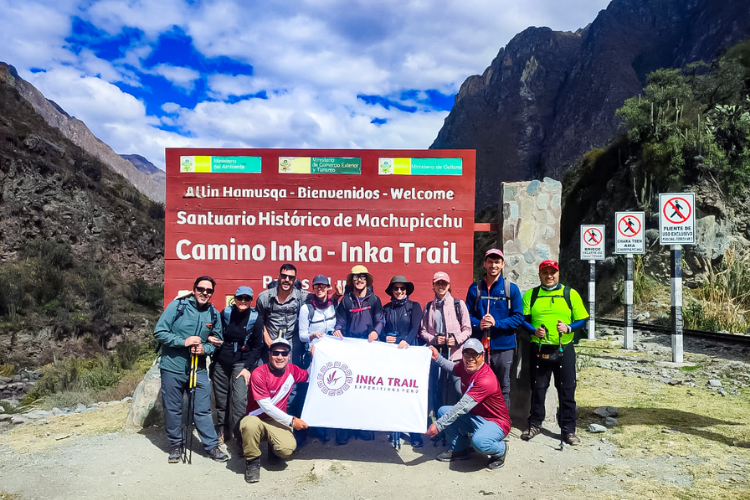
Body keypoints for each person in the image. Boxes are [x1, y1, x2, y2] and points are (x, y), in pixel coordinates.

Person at [153, 276, 229, 464]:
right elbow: (159, 332)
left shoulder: (213, 313)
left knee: (202, 409)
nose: (205, 293)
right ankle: (176, 445)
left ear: (212, 293)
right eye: (201, 289)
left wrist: (206, 349)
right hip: (172, 367)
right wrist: (183, 342)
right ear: (194, 290)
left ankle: (211, 446)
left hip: (198, 368)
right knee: (173, 409)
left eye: (209, 290)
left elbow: (218, 341)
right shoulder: (177, 306)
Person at [520, 260, 588, 446]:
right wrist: (533, 330)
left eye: (553, 272)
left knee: (566, 389)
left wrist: (568, 327)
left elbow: (582, 320)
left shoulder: (569, 294)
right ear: (540, 274)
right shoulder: (531, 295)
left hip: (563, 348)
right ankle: (534, 424)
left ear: (558, 274)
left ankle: (568, 430)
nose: (549, 276)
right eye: (545, 273)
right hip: (539, 348)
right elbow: (523, 320)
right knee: (538, 389)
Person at [425, 338, 510, 470]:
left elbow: (462, 407)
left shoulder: (486, 379)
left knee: (479, 442)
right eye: (467, 354)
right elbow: (453, 368)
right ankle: (459, 449)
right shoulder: (465, 367)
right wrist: (437, 358)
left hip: (495, 422)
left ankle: (500, 450)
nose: (470, 359)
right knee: (443, 411)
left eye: (475, 355)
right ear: (463, 355)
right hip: (475, 416)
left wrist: (439, 425)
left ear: (482, 356)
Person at [240, 338, 309, 483]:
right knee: (249, 425)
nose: (280, 357)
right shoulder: (259, 373)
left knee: (287, 449)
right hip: (256, 418)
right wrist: (291, 421)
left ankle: (273, 448)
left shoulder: (293, 370)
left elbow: (309, 375)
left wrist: (313, 356)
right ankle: (252, 461)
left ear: (289, 356)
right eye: (276, 353)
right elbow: (266, 406)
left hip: (276, 420)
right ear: (269, 354)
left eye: (284, 354)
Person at [255, 263, 310, 445]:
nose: (287, 280)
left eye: (291, 277)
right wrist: (268, 341)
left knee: (291, 387)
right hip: (271, 347)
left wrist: (337, 295)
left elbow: (320, 299)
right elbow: (259, 321)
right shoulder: (265, 297)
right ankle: (266, 425)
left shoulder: (301, 297)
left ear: (295, 280)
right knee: (268, 384)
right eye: (284, 276)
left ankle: (289, 425)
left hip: (290, 348)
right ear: (278, 276)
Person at [465, 248, 524, 411]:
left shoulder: (511, 289)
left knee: (503, 387)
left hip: (504, 347)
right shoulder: (475, 288)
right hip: (479, 348)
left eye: (497, 262)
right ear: (484, 264)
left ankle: (501, 424)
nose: (493, 265)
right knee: (479, 386)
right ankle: (480, 421)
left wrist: (496, 323)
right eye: (490, 261)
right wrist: (478, 323)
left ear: (503, 264)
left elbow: (519, 317)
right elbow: (466, 315)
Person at [332, 264, 384, 444]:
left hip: (368, 348)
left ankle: (363, 427)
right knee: (347, 389)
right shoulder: (345, 301)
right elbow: (340, 322)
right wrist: (338, 330)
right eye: (356, 277)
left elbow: (380, 320)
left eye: (362, 276)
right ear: (351, 281)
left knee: (365, 388)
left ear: (367, 280)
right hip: (350, 349)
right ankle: (345, 429)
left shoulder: (375, 300)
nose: (359, 280)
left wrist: (376, 332)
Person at [208, 285, 262, 455]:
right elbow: (216, 333)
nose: (243, 301)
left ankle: (240, 437)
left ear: (251, 300)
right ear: (235, 298)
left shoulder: (255, 317)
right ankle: (223, 430)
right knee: (221, 398)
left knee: (239, 400)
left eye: (247, 298)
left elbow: (258, 346)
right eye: (240, 298)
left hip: (242, 362)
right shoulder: (226, 313)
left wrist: (247, 367)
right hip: (222, 360)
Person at [297, 274, 342, 443]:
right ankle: (308, 427)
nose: (320, 288)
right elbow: (301, 335)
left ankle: (324, 426)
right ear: (313, 288)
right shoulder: (306, 308)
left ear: (328, 287)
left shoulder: (334, 304)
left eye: (324, 286)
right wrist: (312, 335)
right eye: (317, 286)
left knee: (329, 388)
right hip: (313, 354)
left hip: (331, 354)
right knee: (311, 390)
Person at [419, 271, 472, 411]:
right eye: (438, 283)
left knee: (457, 389)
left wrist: (456, 340)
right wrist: (434, 339)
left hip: (455, 356)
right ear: (433, 286)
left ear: (449, 285)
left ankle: (460, 424)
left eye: (444, 283)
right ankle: (437, 421)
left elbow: (467, 329)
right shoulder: (429, 307)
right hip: (436, 355)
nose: (441, 286)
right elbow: (423, 330)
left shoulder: (458, 304)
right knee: (436, 389)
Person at [381, 275, 423, 447]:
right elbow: (381, 329)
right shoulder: (385, 308)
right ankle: (393, 427)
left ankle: (414, 431)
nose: (399, 291)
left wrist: (405, 340)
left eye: (402, 288)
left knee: (410, 392)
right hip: (391, 354)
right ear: (391, 290)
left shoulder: (414, 306)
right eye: (396, 288)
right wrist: (385, 337)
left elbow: (415, 327)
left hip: (409, 352)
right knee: (392, 391)